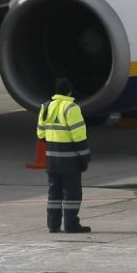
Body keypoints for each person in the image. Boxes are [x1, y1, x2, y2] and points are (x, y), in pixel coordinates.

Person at [36, 77, 91, 233]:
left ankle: (53, 225)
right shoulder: (71, 108)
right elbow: (79, 136)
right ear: (69, 91)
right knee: (72, 193)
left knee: (54, 192)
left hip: (52, 160)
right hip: (70, 160)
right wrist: (85, 158)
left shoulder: (46, 107)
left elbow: (40, 134)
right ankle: (71, 224)